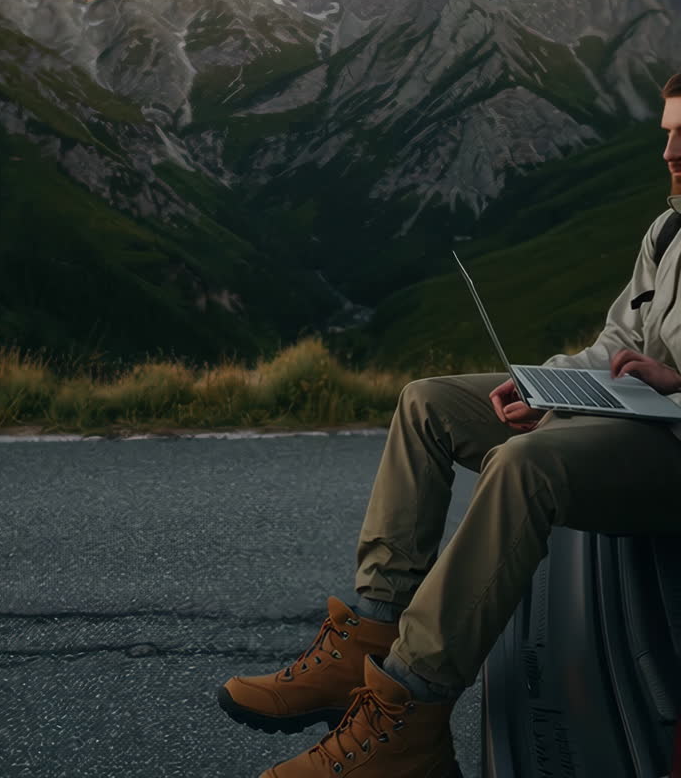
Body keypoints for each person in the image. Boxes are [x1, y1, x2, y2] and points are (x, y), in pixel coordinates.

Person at [217, 74, 681, 778]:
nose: (671, 153)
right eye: (668, 134)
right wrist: (546, 387)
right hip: (627, 423)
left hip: (669, 452)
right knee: (426, 401)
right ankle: (365, 638)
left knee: (525, 467)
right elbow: (616, 343)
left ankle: (411, 708)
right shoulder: (668, 228)